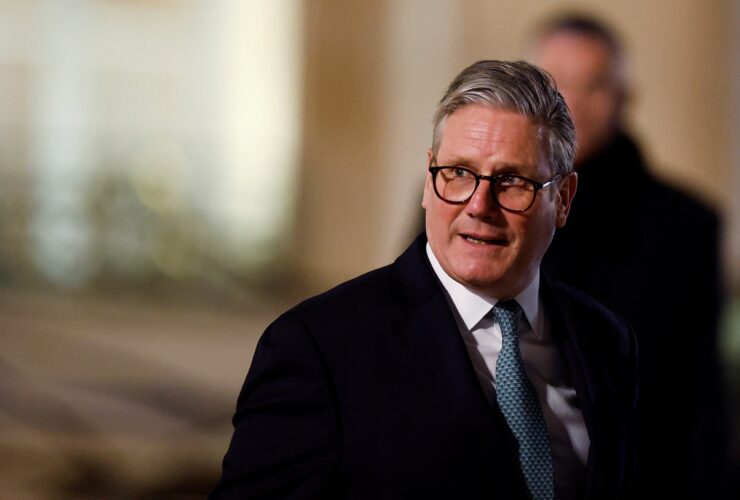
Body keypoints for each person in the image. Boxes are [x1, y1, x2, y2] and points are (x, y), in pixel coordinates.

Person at [209, 60, 638, 499]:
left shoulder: (605, 340)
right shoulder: (319, 347)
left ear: (563, 198)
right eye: (459, 173)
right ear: (429, 179)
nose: (479, 205)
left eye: (511, 180)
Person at [530, 14, 729, 499]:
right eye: (556, 84)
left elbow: (700, 392)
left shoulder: (686, 224)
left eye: (593, 84)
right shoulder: (476, 197)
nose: (572, 102)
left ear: (624, 97)